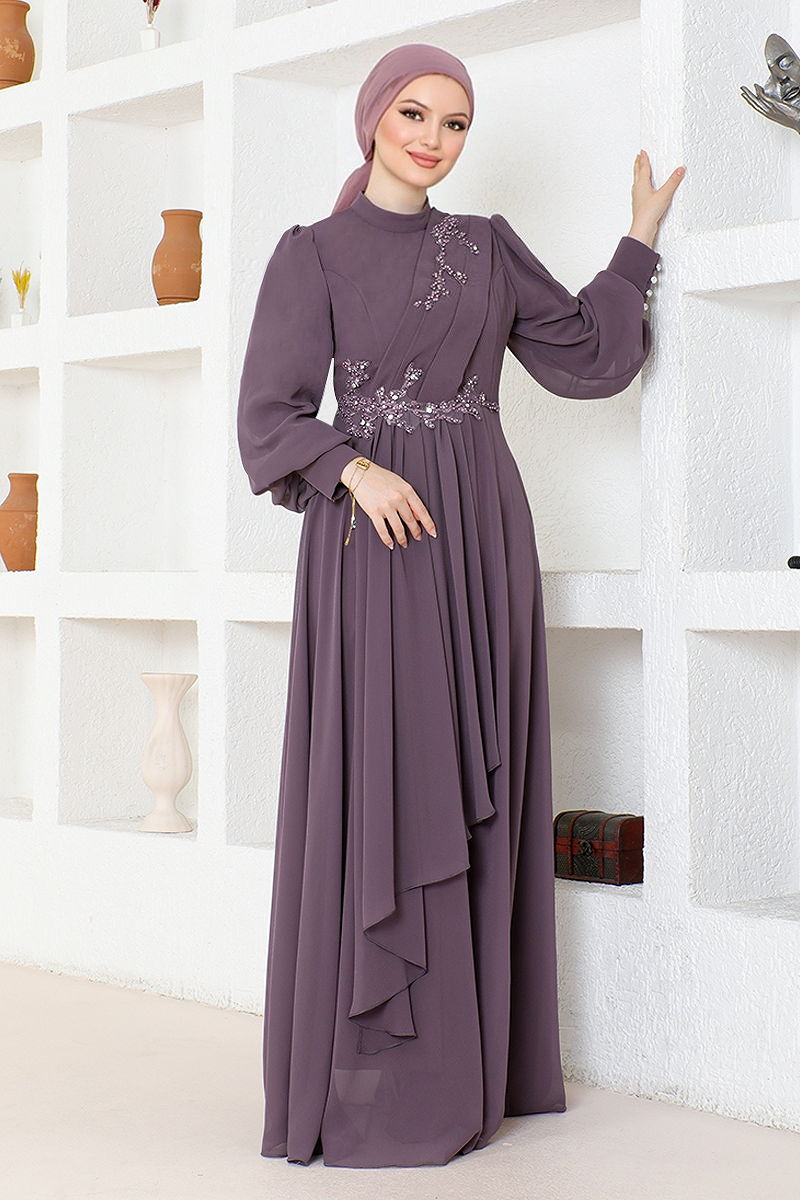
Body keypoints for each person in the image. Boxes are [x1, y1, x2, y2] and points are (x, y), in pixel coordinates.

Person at [237, 42, 685, 1170]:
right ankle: (381, 1085)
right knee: (390, 784)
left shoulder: (484, 248)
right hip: (373, 546)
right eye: (412, 114)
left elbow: (586, 356)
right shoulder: (310, 254)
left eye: (453, 123)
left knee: (474, 778)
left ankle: (471, 1068)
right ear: (372, 119)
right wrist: (355, 469)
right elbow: (268, 415)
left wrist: (636, 242)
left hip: (479, 542)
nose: (431, 139)